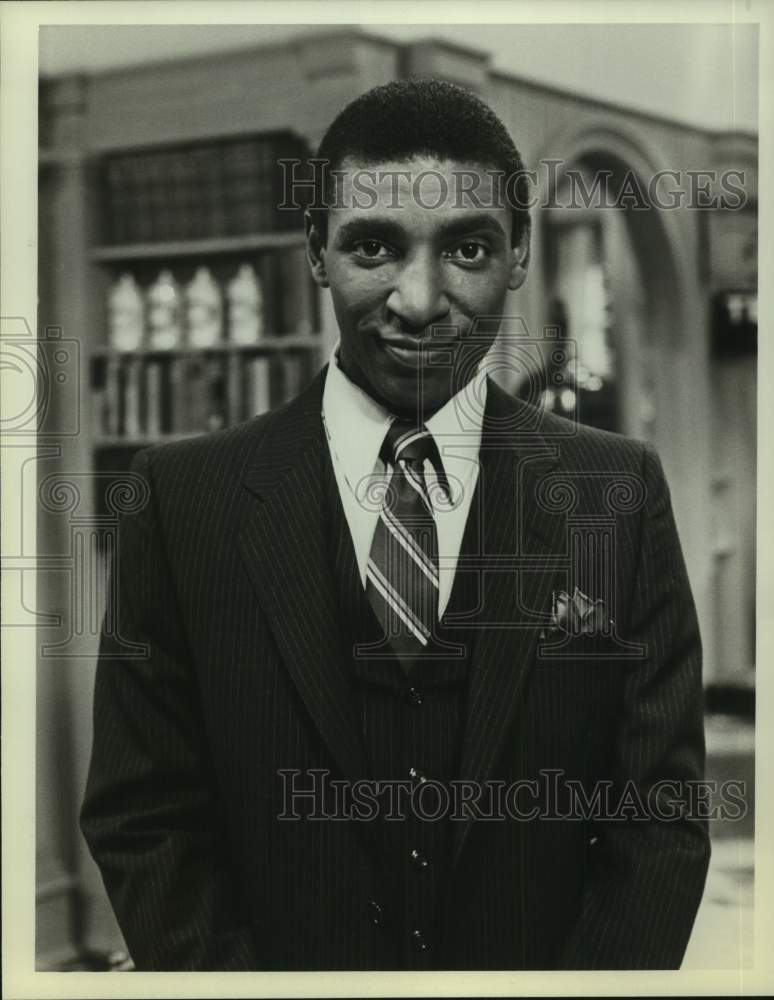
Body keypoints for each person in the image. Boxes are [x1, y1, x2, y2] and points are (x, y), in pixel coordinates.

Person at [81, 78, 710, 971]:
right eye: (374, 246)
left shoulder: (618, 488)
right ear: (316, 250)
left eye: (466, 249)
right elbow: (143, 817)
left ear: (521, 254)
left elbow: (661, 819)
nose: (418, 301)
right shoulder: (181, 501)